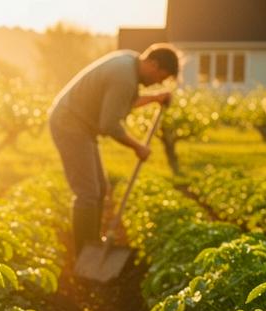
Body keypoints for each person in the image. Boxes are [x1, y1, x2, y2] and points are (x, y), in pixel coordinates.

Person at [49, 44, 182, 257]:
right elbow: (109, 124)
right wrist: (138, 147)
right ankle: (84, 254)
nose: (158, 82)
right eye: (161, 77)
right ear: (153, 64)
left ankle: (91, 244)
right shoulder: (125, 77)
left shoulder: (129, 62)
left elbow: (122, 102)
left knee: (100, 189)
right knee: (88, 193)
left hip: (80, 124)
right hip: (70, 123)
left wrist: (155, 98)